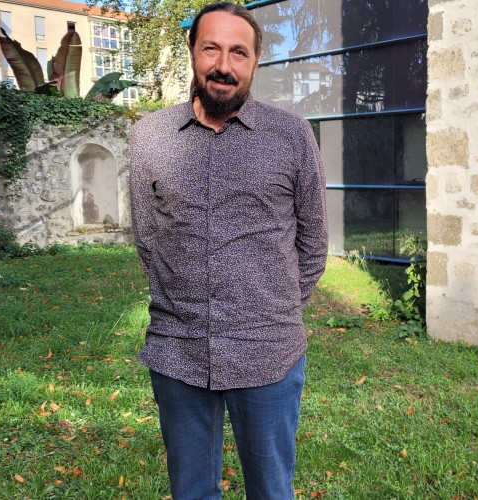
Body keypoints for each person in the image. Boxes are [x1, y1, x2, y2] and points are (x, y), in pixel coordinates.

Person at [127, 2, 328, 498]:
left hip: (269, 351)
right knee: (191, 491)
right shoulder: (149, 136)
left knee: (270, 490)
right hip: (179, 348)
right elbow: (149, 238)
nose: (224, 64)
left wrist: (270, 308)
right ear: (192, 53)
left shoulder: (291, 136)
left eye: (239, 52)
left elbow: (314, 242)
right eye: (211, 48)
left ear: (256, 61)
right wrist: (185, 303)